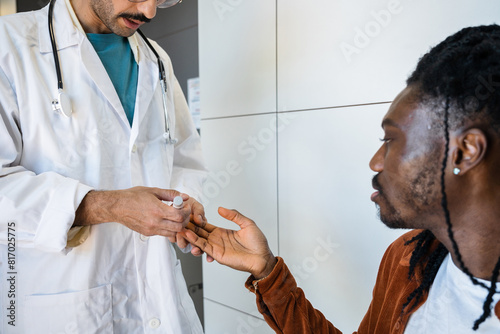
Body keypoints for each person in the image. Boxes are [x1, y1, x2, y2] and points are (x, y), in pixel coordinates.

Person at [183, 25, 500, 333]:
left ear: (466, 151)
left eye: (391, 139)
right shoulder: (407, 258)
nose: (376, 162)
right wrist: (267, 272)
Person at [0, 0, 206, 332]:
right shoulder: (8, 47)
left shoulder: (156, 60)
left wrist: (184, 206)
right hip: (66, 308)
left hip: (161, 304)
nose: (150, 11)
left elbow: (183, 156)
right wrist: (107, 205)